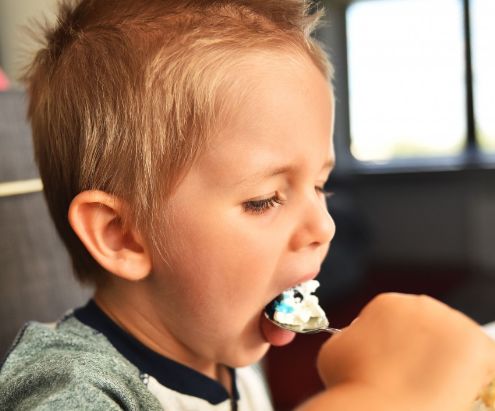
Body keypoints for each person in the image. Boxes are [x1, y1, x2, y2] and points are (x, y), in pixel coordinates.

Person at [0, 0, 494, 410]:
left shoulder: (223, 348)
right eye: (264, 200)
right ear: (122, 234)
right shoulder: (68, 383)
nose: (323, 226)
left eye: (321, 186)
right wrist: (380, 397)